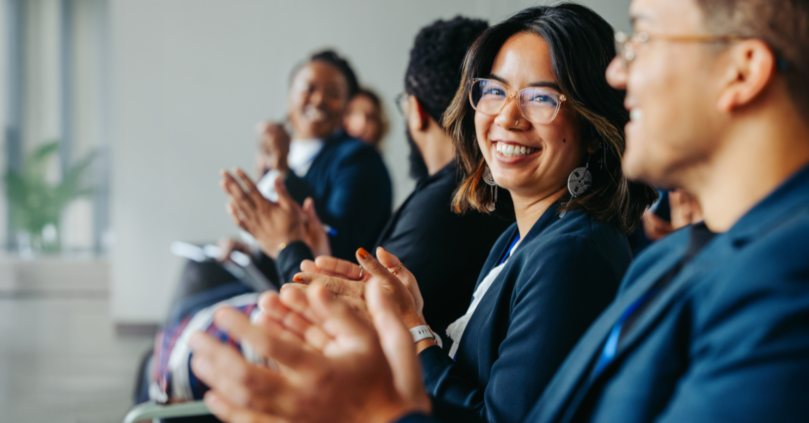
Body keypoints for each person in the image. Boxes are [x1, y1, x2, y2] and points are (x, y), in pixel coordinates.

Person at [187, 0, 809, 422]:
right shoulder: (671, 256)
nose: (622, 71)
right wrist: (409, 322)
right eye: (493, 91)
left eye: (643, 36)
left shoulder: (780, 283)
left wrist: (383, 404)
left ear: (742, 70)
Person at [275, 16, 509, 344]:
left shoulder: (451, 202)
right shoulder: (477, 192)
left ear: (414, 110)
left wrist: (285, 244)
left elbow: (345, 328)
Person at [221, 49, 392, 265]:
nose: (319, 99)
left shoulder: (358, 159)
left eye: (334, 94)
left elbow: (337, 243)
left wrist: (284, 171)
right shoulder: (281, 151)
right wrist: (250, 250)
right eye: (309, 89)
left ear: (346, 106)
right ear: (289, 95)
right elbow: (274, 238)